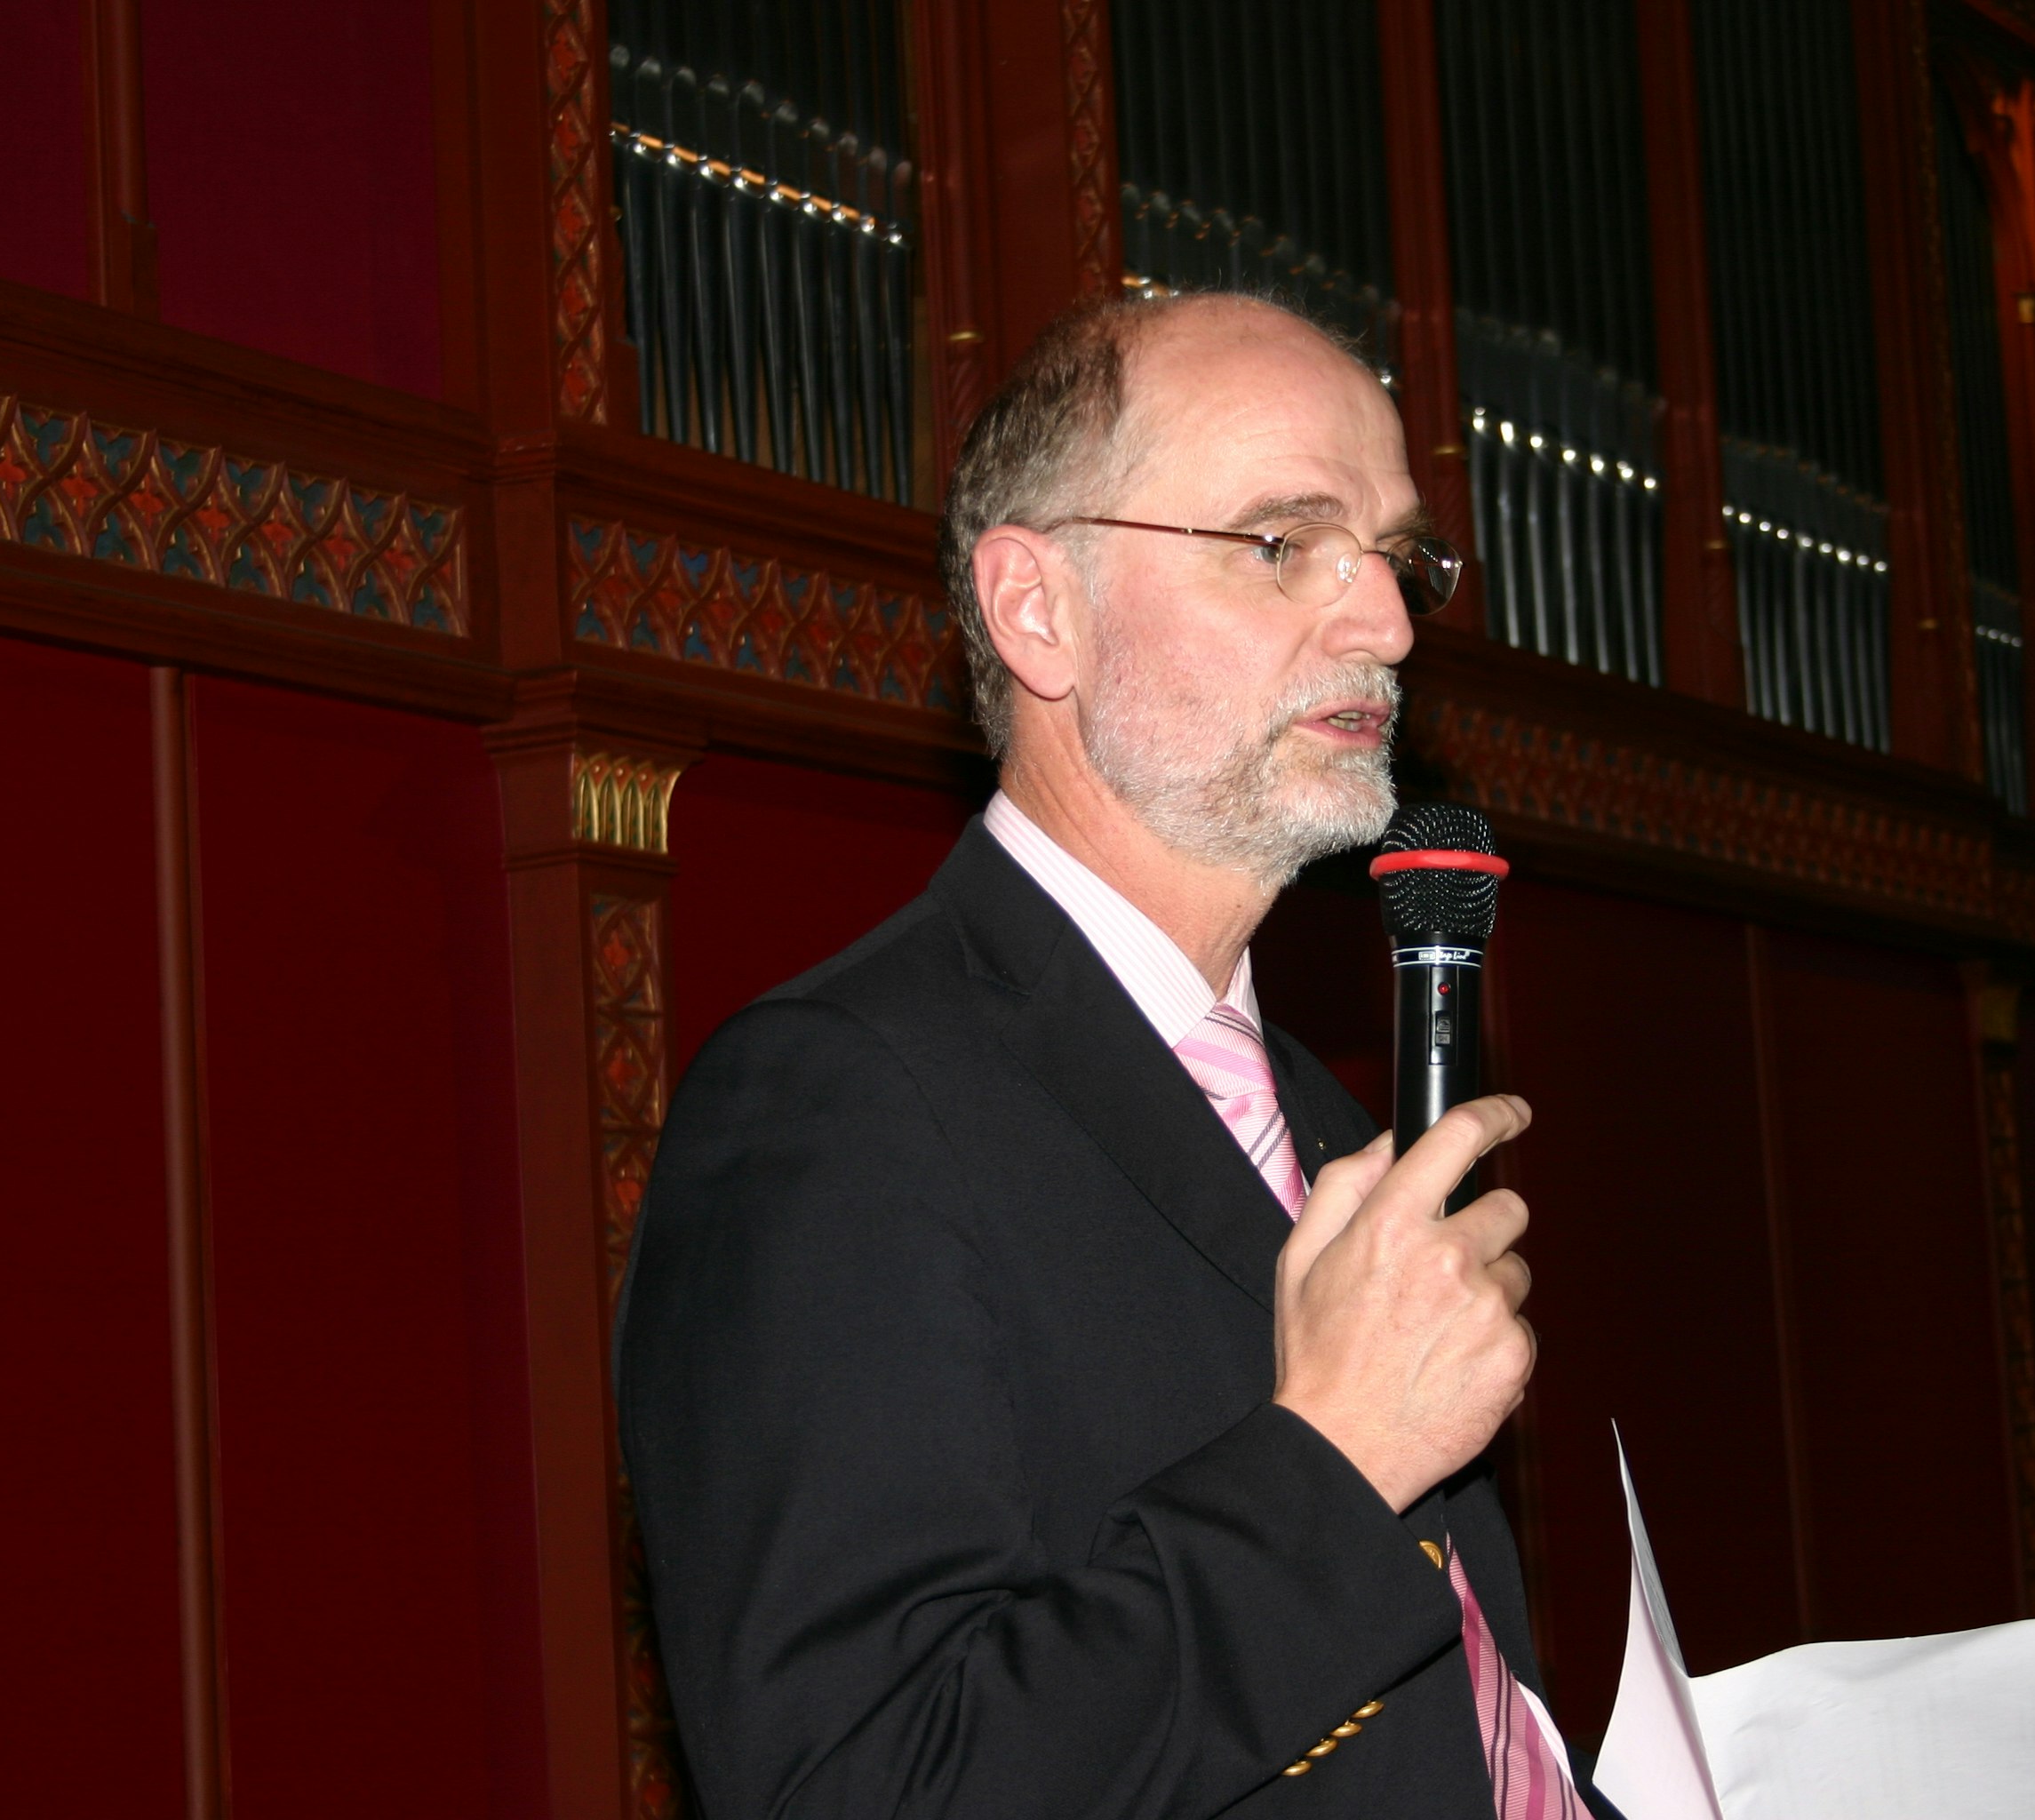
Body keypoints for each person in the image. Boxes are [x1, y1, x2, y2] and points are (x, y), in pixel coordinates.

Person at [615, 291, 1586, 1819]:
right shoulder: (833, 1105)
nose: (1388, 623)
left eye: (1396, 555)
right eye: (1285, 544)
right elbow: (867, 1786)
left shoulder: (1339, 1124)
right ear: (1036, 611)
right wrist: (1333, 1457)